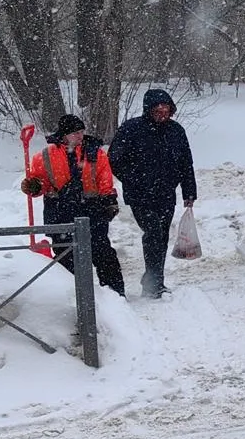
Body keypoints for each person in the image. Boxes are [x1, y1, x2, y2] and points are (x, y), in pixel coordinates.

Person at [21, 114, 125, 296]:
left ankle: (115, 297)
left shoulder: (96, 153)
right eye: (75, 133)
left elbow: (104, 179)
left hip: (92, 211)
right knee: (65, 258)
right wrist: (34, 186)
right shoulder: (44, 157)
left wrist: (109, 199)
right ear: (64, 135)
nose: (79, 136)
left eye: (81, 132)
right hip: (60, 212)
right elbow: (40, 184)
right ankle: (72, 297)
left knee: (103, 254)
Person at [109, 89, 198, 298]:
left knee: (161, 236)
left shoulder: (176, 131)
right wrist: (134, 180)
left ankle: (155, 280)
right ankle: (153, 282)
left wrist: (189, 191)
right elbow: (114, 159)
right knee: (153, 232)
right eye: (157, 109)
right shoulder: (132, 129)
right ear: (148, 109)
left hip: (166, 193)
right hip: (140, 194)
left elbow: (186, 163)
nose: (161, 112)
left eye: (165, 108)